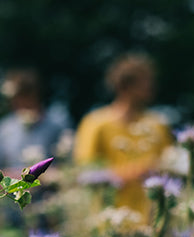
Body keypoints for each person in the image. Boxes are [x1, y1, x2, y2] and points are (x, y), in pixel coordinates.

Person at [73, 53, 173, 221]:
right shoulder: (95, 123)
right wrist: (136, 172)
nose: (152, 86)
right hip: (107, 218)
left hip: (151, 219)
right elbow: (86, 173)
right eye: (145, 80)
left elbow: (171, 166)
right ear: (125, 85)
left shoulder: (158, 124)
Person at [0, 68, 72, 175]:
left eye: (24, 96)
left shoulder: (58, 125)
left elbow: (69, 167)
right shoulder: (2, 130)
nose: (16, 102)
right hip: (12, 189)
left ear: (35, 94)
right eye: (14, 98)